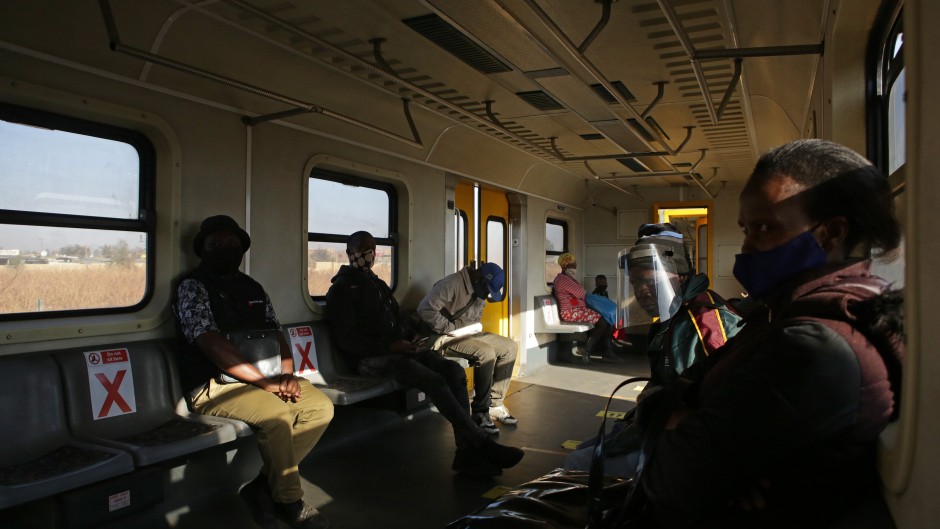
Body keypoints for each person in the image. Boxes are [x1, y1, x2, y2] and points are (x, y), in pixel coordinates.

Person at [638, 139, 904, 528]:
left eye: (764, 228)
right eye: (746, 229)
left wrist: (674, 417)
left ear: (830, 233)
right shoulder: (788, 312)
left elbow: (672, 481)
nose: (745, 248)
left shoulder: (814, 346)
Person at [172, 215, 335, 529]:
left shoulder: (252, 287)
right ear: (202, 250)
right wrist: (265, 382)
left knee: (320, 407)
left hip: (266, 379)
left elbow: (276, 334)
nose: (225, 249)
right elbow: (211, 343)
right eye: (216, 244)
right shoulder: (192, 287)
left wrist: (286, 375)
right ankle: (289, 502)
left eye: (232, 244)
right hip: (215, 385)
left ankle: (260, 487)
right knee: (278, 417)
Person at [325, 231, 524, 477]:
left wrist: (411, 335)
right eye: (361, 249)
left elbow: (398, 319)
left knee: (453, 370)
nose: (367, 255)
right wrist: (390, 347)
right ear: (349, 252)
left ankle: (465, 453)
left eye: (371, 249)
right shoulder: (341, 289)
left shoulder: (378, 284)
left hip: (399, 349)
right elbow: (347, 340)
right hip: (370, 359)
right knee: (433, 380)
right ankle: (480, 442)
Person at [563, 228, 741, 476]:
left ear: (679, 277)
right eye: (636, 282)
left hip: (684, 445)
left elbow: (727, 408)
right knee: (586, 449)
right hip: (658, 424)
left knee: (575, 464)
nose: (641, 290)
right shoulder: (670, 318)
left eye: (650, 281)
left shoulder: (705, 323)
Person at [417, 263, 517, 435]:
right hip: (444, 336)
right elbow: (425, 309)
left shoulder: (480, 290)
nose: (486, 296)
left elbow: (475, 316)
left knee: (510, 347)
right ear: (480, 279)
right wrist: (449, 328)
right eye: (487, 290)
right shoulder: (452, 283)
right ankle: (480, 412)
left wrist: (471, 329)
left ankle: (495, 404)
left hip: (466, 333)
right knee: (486, 352)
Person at [552, 253, 619, 363]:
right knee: (602, 322)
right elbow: (580, 294)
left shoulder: (569, 279)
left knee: (606, 319)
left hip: (578, 310)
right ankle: (587, 350)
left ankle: (606, 351)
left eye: (575, 266)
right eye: (572, 266)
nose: (575, 268)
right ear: (564, 267)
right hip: (570, 312)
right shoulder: (562, 280)